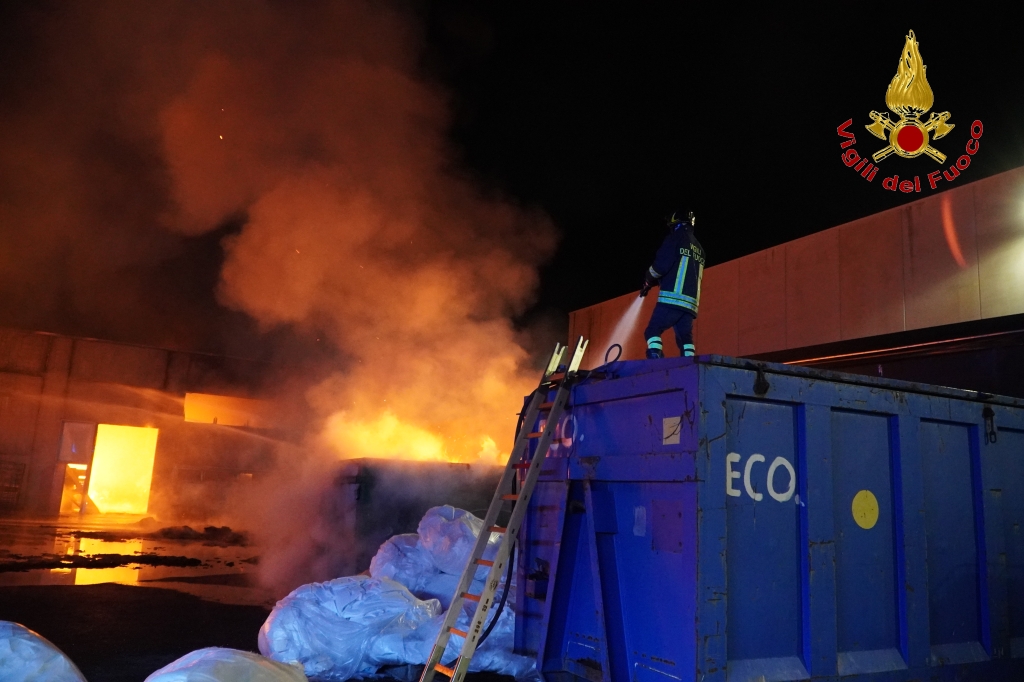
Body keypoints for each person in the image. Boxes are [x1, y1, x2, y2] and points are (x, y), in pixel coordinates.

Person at [639, 211, 706, 359]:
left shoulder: (674, 239)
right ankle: (690, 364)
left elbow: (660, 267)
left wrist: (648, 278)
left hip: (672, 299)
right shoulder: (699, 248)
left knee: (652, 331)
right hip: (690, 305)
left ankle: (655, 359)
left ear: (676, 224)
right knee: (685, 339)